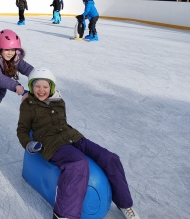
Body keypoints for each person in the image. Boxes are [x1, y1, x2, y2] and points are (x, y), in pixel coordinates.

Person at [17, 67, 140, 219]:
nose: (41, 90)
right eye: (37, 86)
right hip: (50, 142)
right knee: (77, 163)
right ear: (31, 87)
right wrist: (28, 144)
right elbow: (22, 130)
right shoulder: (28, 105)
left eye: (45, 86)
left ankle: (124, 204)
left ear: (51, 87)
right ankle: (64, 215)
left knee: (110, 157)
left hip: (72, 136)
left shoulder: (59, 101)